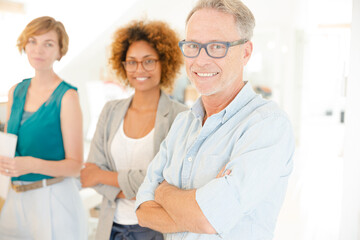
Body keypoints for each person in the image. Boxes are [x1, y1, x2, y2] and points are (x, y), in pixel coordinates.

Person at [135, 0, 295, 239]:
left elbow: (207, 218)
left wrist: (163, 191)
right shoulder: (183, 124)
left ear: (246, 52)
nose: (200, 60)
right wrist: (198, 209)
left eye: (217, 46)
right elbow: (143, 213)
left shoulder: (268, 126)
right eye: (192, 45)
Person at [80, 20, 188, 240]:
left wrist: (104, 176)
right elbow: (90, 174)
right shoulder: (110, 111)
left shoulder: (181, 117)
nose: (139, 69)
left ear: (163, 63)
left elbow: (167, 184)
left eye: (148, 61)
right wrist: (141, 191)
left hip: (155, 229)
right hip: (112, 226)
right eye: (132, 62)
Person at [0, 16, 87, 239]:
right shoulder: (15, 92)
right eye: (32, 41)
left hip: (53, 199)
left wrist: (31, 164)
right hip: (15, 199)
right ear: (24, 45)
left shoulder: (67, 96)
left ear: (60, 51)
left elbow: (75, 167)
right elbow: (12, 147)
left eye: (48, 44)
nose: (38, 50)